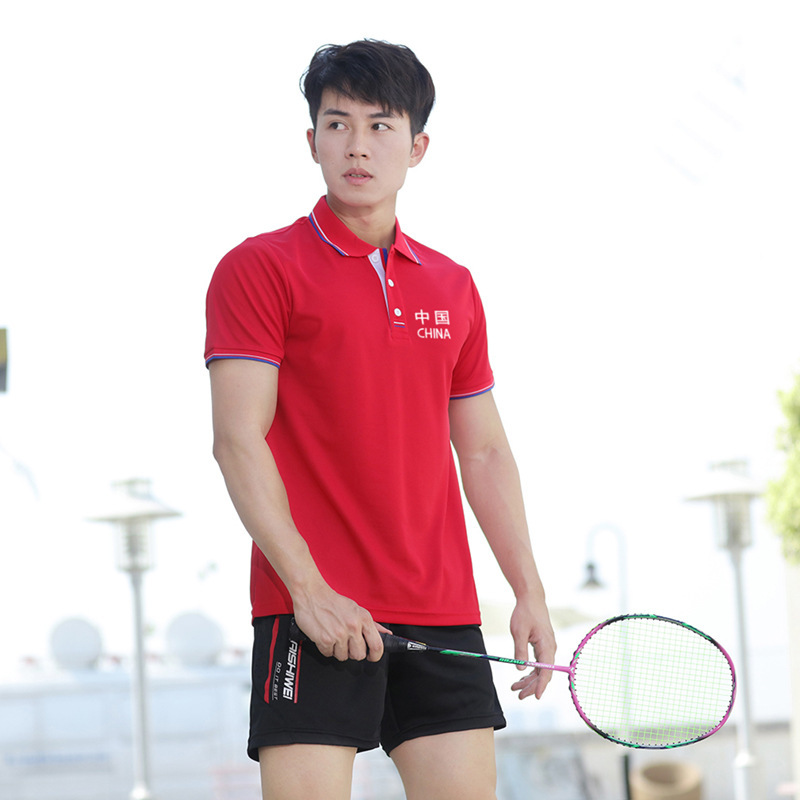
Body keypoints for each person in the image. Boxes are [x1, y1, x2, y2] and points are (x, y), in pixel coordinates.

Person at [205, 39, 556, 800]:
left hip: (442, 610)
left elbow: (485, 454)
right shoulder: (259, 268)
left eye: (380, 125)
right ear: (312, 141)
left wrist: (527, 588)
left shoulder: (454, 286)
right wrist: (308, 589)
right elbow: (237, 440)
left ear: (417, 146)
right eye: (337, 125)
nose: (357, 146)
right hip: (313, 608)